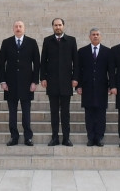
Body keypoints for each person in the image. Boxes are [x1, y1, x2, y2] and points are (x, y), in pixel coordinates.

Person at [0, 20, 40, 146]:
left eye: (20, 26)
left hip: (27, 84)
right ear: (13, 28)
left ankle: (28, 137)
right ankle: (14, 137)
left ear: (24, 28)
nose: (18, 28)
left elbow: (37, 64)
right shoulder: (6, 42)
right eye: (16, 26)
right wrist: (3, 81)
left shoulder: (32, 42)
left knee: (26, 112)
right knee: (12, 113)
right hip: (10, 84)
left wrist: (34, 81)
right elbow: (1, 64)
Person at [40, 17, 78, 146]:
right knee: (54, 112)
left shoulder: (71, 41)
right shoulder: (47, 41)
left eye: (60, 25)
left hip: (67, 82)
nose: (58, 27)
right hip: (52, 82)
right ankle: (55, 137)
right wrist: (43, 78)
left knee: (65, 113)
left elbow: (76, 62)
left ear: (63, 26)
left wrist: (75, 78)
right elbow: (43, 61)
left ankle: (66, 138)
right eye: (55, 25)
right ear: (53, 27)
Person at [76, 28, 111, 146]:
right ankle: (90, 137)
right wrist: (79, 86)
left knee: (101, 114)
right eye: (93, 35)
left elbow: (110, 71)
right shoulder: (82, 51)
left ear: (100, 36)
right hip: (87, 87)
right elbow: (78, 70)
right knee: (89, 114)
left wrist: (111, 86)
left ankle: (99, 137)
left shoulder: (107, 51)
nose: (95, 36)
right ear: (89, 37)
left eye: (97, 34)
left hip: (102, 87)